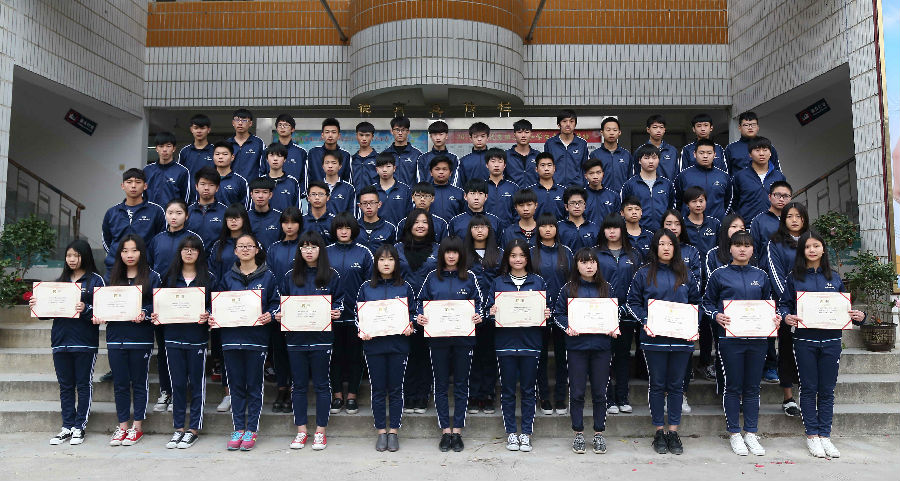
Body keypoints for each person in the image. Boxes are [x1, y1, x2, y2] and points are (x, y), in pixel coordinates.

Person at [778, 230, 865, 458]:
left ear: (823, 249)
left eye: (816, 246)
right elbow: (784, 305)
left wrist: (858, 316)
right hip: (804, 341)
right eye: (807, 247)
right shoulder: (794, 277)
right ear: (802, 251)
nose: (812, 250)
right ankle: (812, 436)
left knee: (827, 390)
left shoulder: (834, 277)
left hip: (832, 341)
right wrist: (786, 316)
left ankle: (825, 435)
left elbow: (845, 309)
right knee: (808, 389)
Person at [702, 230, 779, 456]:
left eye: (746, 245)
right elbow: (706, 303)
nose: (742, 249)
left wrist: (773, 318)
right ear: (730, 249)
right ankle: (735, 433)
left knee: (753, 387)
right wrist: (716, 315)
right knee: (733, 387)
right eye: (737, 245)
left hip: (757, 340)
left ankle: (751, 433)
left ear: (753, 249)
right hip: (729, 340)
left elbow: (768, 303)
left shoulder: (761, 275)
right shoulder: (719, 275)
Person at [626, 229, 700, 455]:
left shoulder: (686, 273)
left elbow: (696, 303)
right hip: (654, 340)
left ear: (676, 248)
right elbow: (632, 302)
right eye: (662, 244)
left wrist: (692, 324)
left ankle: (673, 431)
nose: (666, 248)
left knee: (676, 385)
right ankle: (659, 430)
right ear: (655, 247)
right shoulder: (644, 273)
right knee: (657, 384)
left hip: (681, 340)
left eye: (670, 244)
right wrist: (646, 320)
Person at [30, 240, 104, 446]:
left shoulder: (95, 280)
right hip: (60, 341)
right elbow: (46, 314)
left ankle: (80, 426)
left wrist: (86, 308)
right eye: (69, 255)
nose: (72, 259)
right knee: (65, 386)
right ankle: (67, 426)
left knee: (83, 384)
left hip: (85, 342)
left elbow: (103, 311)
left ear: (85, 256)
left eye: (76, 255)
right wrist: (37, 305)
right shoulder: (59, 282)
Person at [276, 231, 343, 451]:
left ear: (321, 250)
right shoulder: (290, 276)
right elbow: (280, 303)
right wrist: (279, 314)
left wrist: (336, 311)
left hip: (322, 339)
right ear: (300, 250)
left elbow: (340, 302)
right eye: (304, 247)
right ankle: (301, 431)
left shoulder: (331, 275)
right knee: (299, 385)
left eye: (313, 247)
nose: (309, 251)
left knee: (322, 384)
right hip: (295, 339)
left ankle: (321, 431)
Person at [416, 237, 484, 452]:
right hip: (438, 339)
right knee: (441, 384)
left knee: (462, 384)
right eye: (448, 252)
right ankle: (445, 430)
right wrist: (420, 316)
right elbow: (420, 303)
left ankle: (458, 430)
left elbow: (479, 304)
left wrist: (478, 315)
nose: (452, 255)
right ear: (442, 254)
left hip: (464, 338)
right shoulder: (432, 277)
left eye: (455, 252)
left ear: (461, 254)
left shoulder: (470, 277)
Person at [213, 232, 278, 452]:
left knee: (254, 386)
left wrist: (270, 314)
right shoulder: (227, 277)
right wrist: (213, 315)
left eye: (250, 246)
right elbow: (218, 304)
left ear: (257, 250)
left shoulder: (268, 276)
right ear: (235, 251)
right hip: (230, 339)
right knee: (236, 386)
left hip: (256, 339)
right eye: (241, 246)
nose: (245, 249)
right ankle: (238, 428)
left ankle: (252, 429)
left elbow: (275, 303)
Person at [487, 238, 551, 452]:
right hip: (505, 343)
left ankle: (526, 433)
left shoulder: (538, 282)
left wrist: (546, 313)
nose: (517, 259)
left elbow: (547, 308)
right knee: (507, 390)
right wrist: (491, 312)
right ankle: (511, 433)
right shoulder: (498, 282)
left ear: (527, 258)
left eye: (522, 255)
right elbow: (487, 310)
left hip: (530, 343)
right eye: (513, 255)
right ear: (507, 258)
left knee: (528, 389)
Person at [153, 235, 214, 449]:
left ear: (199, 253)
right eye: (185, 249)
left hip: (197, 338)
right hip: (172, 337)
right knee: (177, 384)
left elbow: (214, 305)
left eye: (193, 249)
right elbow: (159, 304)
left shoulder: (208, 278)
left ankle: (193, 429)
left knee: (197, 385)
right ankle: (178, 428)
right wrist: (156, 314)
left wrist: (208, 313)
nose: (189, 252)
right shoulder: (169, 277)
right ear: (179, 252)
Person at [101, 234, 162, 447]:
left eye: (134, 250)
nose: (130, 255)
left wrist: (144, 312)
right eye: (125, 251)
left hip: (140, 338)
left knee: (139, 382)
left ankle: (137, 427)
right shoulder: (112, 276)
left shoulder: (152, 276)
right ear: (119, 253)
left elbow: (159, 304)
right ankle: (122, 426)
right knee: (120, 383)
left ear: (141, 252)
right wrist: (100, 313)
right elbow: (103, 303)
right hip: (115, 337)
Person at [555, 248, 618, 454]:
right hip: (577, 348)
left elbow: (614, 313)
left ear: (597, 265)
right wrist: (568, 326)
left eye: (592, 262)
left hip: (601, 348)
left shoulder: (606, 288)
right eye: (584, 262)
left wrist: (613, 327)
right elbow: (558, 314)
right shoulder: (568, 289)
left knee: (600, 392)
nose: (589, 266)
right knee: (577, 392)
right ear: (577, 265)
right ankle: (578, 433)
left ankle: (599, 433)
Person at [357, 244, 417, 452]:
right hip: (374, 346)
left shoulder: (405, 287)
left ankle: (394, 432)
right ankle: (381, 431)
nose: (386, 263)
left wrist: (411, 326)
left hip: (398, 346)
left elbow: (413, 314)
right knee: (378, 389)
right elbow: (358, 316)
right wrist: (362, 330)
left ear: (396, 263)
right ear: (376, 263)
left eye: (390, 259)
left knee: (396, 389)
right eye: (382, 259)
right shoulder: (366, 287)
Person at [147, 199, 202, 412]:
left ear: (186, 216)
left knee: (187, 350)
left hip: (189, 301)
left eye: (179, 212)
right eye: (170, 212)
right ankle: (166, 391)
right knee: (164, 350)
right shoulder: (157, 240)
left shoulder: (193, 239)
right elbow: (150, 268)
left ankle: (183, 393)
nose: (174, 216)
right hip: (164, 302)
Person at [327, 213, 375, 415]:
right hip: (331, 316)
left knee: (355, 356)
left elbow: (371, 284)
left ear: (354, 230)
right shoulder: (326, 252)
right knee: (335, 356)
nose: (344, 231)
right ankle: (337, 395)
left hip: (357, 316)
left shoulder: (364, 253)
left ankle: (352, 395)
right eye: (340, 228)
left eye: (348, 228)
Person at [766, 202, 810, 416]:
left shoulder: (811, 240)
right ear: (783, 219)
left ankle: (808, 396)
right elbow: (775, 273)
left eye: (798, 216)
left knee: (809, 353)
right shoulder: (775, 242)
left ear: (804, 219)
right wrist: (790, 301)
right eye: (790, 216)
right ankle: (788, 397)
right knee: (786, 351)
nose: (794, 220)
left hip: (811, 308)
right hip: (787, 307)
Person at [208, 204, 253, 410]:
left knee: (249, 351)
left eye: (237, 217)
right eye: (229, 218)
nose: (233, 221)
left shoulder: (252, 242)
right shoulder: (218, 245)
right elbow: (211, 273)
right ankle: (228, 394)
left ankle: (249, 393)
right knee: (227, 352)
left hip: (249, 303)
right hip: (225, 302)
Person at [595, 213, 642, 414]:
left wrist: (628, 306)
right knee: (605, 356)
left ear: (623, 230)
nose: (612, 231)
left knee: (623, 356)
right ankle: (608, 399)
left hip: (627, 314)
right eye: (608, 227)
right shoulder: (595, 254)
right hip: (602, 314)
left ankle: (622, 397)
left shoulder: (634, 254)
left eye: (616, 227)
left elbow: (639, 284)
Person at [395, 208, 439, 414]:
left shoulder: (438, 250)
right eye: (416, 222)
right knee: (406, 354)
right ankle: (408, 394)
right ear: (409, 225)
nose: (420, 225)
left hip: (430, 312)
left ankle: (422, 395)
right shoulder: (396, 249)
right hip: (402, 310)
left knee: (426, 355)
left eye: (425, 222)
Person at [659, 209, 703, 414]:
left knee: (682, 361)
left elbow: (696, 286)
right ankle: (663, 396)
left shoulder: (691, 251)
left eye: (677, 223)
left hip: (683, 316)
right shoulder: (656, 252)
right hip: (660, 318)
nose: (673, 227)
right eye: (669, 223)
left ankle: (681, 394)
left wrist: (692, 319)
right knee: (662, 361)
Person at [530, 213, 573, 416]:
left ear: (557, 229)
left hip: (562, 312)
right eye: (543, 226)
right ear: (537, 229)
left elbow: (573, 281)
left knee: (562, 357)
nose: (547, 229)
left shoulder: (566, 252)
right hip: (537, 312)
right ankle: (544, 396)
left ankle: (560, 396)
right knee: (540, 357)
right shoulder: (531, 252)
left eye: (551, 226)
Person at [266, 207, 305, 411]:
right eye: (285, 222)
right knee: (279, 350)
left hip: (301, 306)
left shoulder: (305, 246)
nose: (289, 226)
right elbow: (269, 277)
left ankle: (294, 390)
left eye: (293, 222)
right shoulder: (274, 248)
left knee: (295, 351)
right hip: (278, 305)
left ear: (300, 224)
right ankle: (281, 388)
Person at [465, 215, 503, 414]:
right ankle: (473, 395)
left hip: (492, 313)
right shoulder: (463, 254)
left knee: (489, 355)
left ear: (490, 230)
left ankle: (488, 394)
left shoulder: (499, 254)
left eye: (483, 226)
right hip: (469, 314)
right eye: (475, 227)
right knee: (472, 355)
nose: (479, 230)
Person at [101, 168, 166, 271]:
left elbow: (161, 239)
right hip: (115, 267)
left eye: (138, 182)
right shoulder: (112, 212)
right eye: (129, 182)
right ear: (122, 186)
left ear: (145, 186)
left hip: (145, 267)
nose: (133, 186)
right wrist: (117, 255)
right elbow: (106, 239)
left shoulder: (156, 211)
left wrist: (149, 257)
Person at [731, 137, 787, 222]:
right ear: (750, 154)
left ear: (770, 153)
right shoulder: (740, 176)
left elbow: (784, 200)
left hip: (774, 224)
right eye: (757, 150)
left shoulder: (779, 177)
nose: (761, 154)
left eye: (765, 150)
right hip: (747, 224)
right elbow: (734, 202)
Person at [620, 144, 675, 232]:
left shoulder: (666, 184)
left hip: (663, 232)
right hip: (638, 233)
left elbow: (671, 208)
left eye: (654, 158)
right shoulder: (630, 184)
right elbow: (624, 210)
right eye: (646, 158)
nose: (651, 161)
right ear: (639, 160)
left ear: (659, 160)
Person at [673, 138, 732, 221]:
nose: (705, 156)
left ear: (714, 155)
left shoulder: (723, 176)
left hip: (717, 224)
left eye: (709, 153)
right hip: (689, 225)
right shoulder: (683, 176)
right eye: (701, 153)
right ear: (694, 154)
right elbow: (677, 201)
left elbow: (728, 200)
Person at [725, 111, 781, 176]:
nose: (750, 127)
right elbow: (727, 174)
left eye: (753, 125)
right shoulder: (731, 148)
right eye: (746, 125)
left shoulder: (767, 146)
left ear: (758, 127)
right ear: (739, 128)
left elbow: (776, 169)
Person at [543, 109, 587, 187]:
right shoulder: (550, 143)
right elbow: (546, 166)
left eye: (571, 121)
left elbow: (585, 167)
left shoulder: (582, 143)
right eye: (564, 121)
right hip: (555, 187)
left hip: (576, 187)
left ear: (575, 124)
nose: (568, 124)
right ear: (559, 124)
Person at [186, 166, 227, 251]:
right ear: (196, 186)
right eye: (202, 184)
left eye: (211, 185)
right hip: (192, 257)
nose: (206, 188)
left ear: (217, 188)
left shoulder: (225, 211)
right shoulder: (188, 211)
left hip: (216, 257)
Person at [144, 131, 190, 206]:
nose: (164, 149)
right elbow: (143, 195)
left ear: (174, 148)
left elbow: (185, 198)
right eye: (161, 146)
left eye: (168, 146)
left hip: (173, 212)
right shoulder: (147, 170)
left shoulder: (182, 171)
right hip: (151, 212)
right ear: (156, 148)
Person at [178, 113, 215, 203]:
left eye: (202, 128)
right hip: (187, 198)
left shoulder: (215, 151)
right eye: (196, 128)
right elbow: (180, 176)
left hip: (210, 197)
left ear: (208, 130)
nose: (199, 131)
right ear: (191, 129)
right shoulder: (184, 151)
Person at [588, 116, 631, 193]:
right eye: (608, 130)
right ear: (602, 132)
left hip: (622, 196)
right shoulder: (595, 155)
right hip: (601, 195)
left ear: (619, 132)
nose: (611, 133)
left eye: (615, 130)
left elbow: (630, 178)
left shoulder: (626, 155)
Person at [306, 117, 352, 189]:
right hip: (317, 194)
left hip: (339, 194)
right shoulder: (313, 153)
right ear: (322, 135)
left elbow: (347, 179)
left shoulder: (345, 155)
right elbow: (308, 176)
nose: (330, 135)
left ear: (339, 135)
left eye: (333, 132)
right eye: (327, 132)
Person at [750, 181, 793, 256]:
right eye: (777, 195)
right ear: (769, 197)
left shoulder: (795, 220)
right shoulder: (759, 221)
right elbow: (753, 250)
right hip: (767, 263)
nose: (781, 199)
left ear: (790, 199)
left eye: (786, 196)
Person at [260, 114, 307, 182]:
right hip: (271, 187)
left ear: (292, 129)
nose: (282, 127)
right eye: (280, 125)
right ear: (276, 128)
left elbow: (304, 177)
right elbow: (262, 173)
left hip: (293, 188)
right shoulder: (267, 151)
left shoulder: (301, 152)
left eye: (286, 125)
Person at [632, 114, 679, 181]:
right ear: (648, 129)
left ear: (664, 130)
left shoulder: (672, 151)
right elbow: (636, 173)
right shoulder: (640, 150)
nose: (658, 130)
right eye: (655, 127)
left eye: (661, 127)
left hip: (668, 186)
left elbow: (677, 173)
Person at [484, 147, 520, 231]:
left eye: (500, 161)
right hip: (486, 231)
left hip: (508, 231)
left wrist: (513, 229)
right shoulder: (481, 186)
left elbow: (518, 212)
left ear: (504, 165)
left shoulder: (513, 187)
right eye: (493, 161)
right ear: (487, 165)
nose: (496, 165)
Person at [381, 116, 423, 187]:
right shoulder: (385, 154)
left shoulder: (417, 154)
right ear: (392, 131)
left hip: (410, 193)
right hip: (390, 192)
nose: (400, 133)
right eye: (397, 130)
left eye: (403, 130)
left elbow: (420, 178)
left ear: (408, 132)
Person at [373, 152, 412, 226]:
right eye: (381, 166)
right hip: (377, 231)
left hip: (400, 231)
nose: (384, 169)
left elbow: (410, 215)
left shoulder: (405, 190)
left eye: (388, 166)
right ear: (376, 169)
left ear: (394, 168)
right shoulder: (371, 190)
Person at [681, 187, 721, 260]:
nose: (698, 205)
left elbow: (720, 247)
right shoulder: (681, 224)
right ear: (687, 204)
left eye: (701, 201)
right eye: (694, 201)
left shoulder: (715, 223)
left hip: (710, 263)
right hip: (689, 264)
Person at [227, 108, 266, 182]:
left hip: (253, 185)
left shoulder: (258, 143)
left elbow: (265, 165)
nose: (240, 123)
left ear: (250, 123)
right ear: (233, 123)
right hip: (230, 185)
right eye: (237, 120)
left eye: (244, 120)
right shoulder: (227, 144)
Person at [261, 142, 301, 212]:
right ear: (267, 159)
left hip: (287, 219)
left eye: (279, 156)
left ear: (285, 159)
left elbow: (297, 209)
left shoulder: (292, 182)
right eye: (272, 155)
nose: (275, 159)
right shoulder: (260, 181)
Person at [356, 185, 397, 252]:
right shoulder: (354, 226)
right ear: (360, 206)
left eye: (372, 202)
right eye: (365, 203)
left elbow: (393, 253)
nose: (368, 206)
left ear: (379, 204)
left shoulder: (389, 228)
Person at [558, 186, 600, 252]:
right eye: (572, 203)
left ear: (585, 206)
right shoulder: (559, 227)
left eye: (580, 202)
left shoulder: (594, 228)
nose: (577, 206)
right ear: (566, 207)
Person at [417, 120, 459, 185]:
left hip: (448, 191)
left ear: (446, 136)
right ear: (431, 136)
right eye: (435, 134)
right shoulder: (423, 158)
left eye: (441, 134)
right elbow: (420, 181)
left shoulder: (453, 158)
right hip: (428, 191)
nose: (438, 138)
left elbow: (455, 181)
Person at [526, 152, 565, 219]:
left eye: (549, 165)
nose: (546, 169)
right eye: (542, 165)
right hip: (536, 225)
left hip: (559, 225)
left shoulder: (563, 191)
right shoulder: (529, 191)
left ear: (554, 168)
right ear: (536, 169)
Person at [212, 140, 250, 209]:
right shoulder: (206, 179)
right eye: (217, 154)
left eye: (225, 154)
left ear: (232, 157)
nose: (220, 157)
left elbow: (245, 208)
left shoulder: (241, 181)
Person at [583, 157, 621, 226]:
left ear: (603, 174)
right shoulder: (581, 196)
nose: (595, 176)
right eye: (591, 173)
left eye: (598, 172)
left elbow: (618, 220)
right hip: (587, 232)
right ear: (586, 176)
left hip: (608, 232)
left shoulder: (613, 196)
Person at [247, 177, 282, 250]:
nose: (260, 196)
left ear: (270, 195)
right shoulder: (245, 217)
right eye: (257, 192)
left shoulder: (279, 218)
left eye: (265, 192)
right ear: (251, 194)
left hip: (273, 256)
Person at [427, 155, 465, 221]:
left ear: (450, 173)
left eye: (444, 169)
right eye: (437, 169)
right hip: (431, 226)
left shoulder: (459, 192)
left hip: (453, 227)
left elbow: (464, 215)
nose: (441, 172)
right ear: (431, 172)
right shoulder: (425, 192)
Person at [506, 119, 539, 189]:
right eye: (519, 132)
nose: (523, 135)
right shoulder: (506, 156)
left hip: (533, 194)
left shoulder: (538, 155)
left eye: (527, 132)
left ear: (531, 134)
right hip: (512, 194)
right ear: (514, 134)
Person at [456, 122, 491, 187]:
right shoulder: (463, 161)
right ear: (470, 138)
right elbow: (460, 184)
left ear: (488, 138)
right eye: (475, 137)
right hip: (471, 192)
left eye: (483, 136)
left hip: (491, 192)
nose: (479, 139)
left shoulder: (494, 159)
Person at [323, 150, 357, 216]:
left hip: (341, 222)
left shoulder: (349, 188)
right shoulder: (316, 187)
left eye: (334, 163)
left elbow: (352, 213)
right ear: (323, 166)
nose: (330, 166)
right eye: (327, 163)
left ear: (340, 166)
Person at [350, 121, 378, 191]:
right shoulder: (351, 159)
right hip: (354, 196)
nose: (364, 138)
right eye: (361, 135)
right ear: (356, 136)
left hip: (373, 196)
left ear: (372, 137)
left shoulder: (378, 158)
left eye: (367, 135)